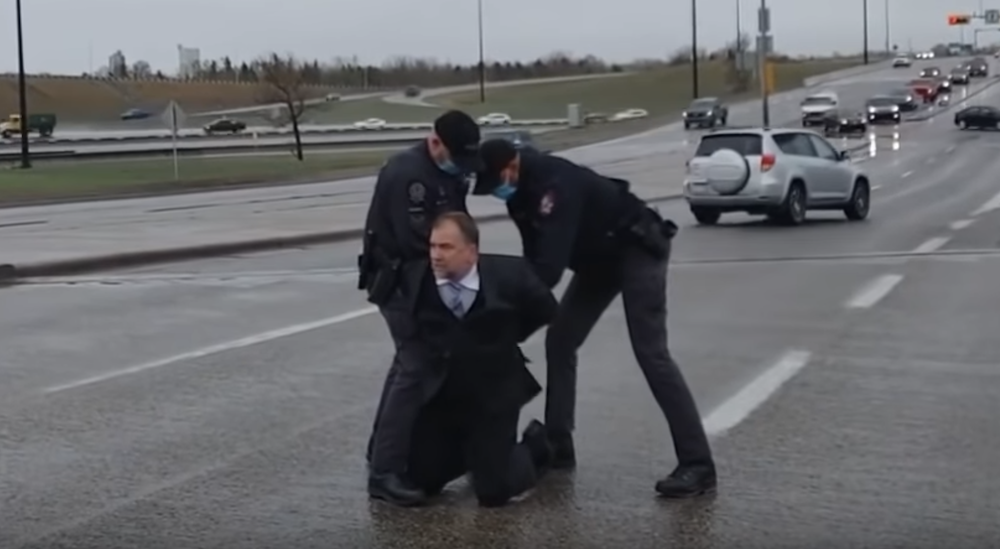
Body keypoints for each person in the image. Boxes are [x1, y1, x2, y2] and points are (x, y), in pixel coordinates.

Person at [472, 138, 717, 498]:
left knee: (651, 353)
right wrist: (513, 318)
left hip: (637, 247)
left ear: (512, 165)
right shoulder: (520, 197)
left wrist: (504, 311)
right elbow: (532, 267)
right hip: (597, 261)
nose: (497, 192)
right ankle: (559, 443)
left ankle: (698, 463)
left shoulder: (554, 185)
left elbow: (548, 270)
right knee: (560, 340)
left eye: (497, 183)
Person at [390, 211, 559, 507]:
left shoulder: (511, 275)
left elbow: (546, 309)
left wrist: (509, 335)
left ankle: (535, 447)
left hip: (494, 395)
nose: (436, 255)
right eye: (433, 246)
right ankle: (472, 455)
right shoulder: (417, 278)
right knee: (421, 482)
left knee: (493, 492)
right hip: (445, 396)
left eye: (446, 247)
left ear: (471, 252)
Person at [357, 110, 483, 504]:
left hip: (420, 280)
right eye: (454, 157)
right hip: (398, 282)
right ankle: (385, 473)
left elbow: (457, 226)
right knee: (416, 366)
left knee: (406, 364)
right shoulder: (407, 175)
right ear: (435, 143)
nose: (460, 167)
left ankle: (380, 450)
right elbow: (421, 245)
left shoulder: (451, 169)